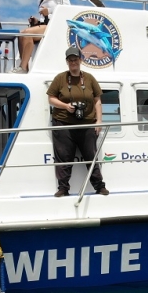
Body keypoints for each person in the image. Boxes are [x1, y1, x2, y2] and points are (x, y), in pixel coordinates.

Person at [46, 46, 109, 197]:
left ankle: (99, 186)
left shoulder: (89, 78)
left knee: (90, 156)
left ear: (81, 60)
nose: (73, 62)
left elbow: (97, 101)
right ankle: (63, 188)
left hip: (87, 123)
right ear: (67, 62)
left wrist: (99, 121)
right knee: (64, 158)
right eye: (70, 60)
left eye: (75, 59)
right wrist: (66, 106)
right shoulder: (60, 78)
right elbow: (51, 99)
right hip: (63, 123)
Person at [12, 0, 69, 74]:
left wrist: (49, 11)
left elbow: (66, 10)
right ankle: (24, 67)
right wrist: (36, 22)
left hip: (56, 26)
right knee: (21, 34)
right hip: (47, 25)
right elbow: (46, 17)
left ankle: (23, 68)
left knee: (27, 34)